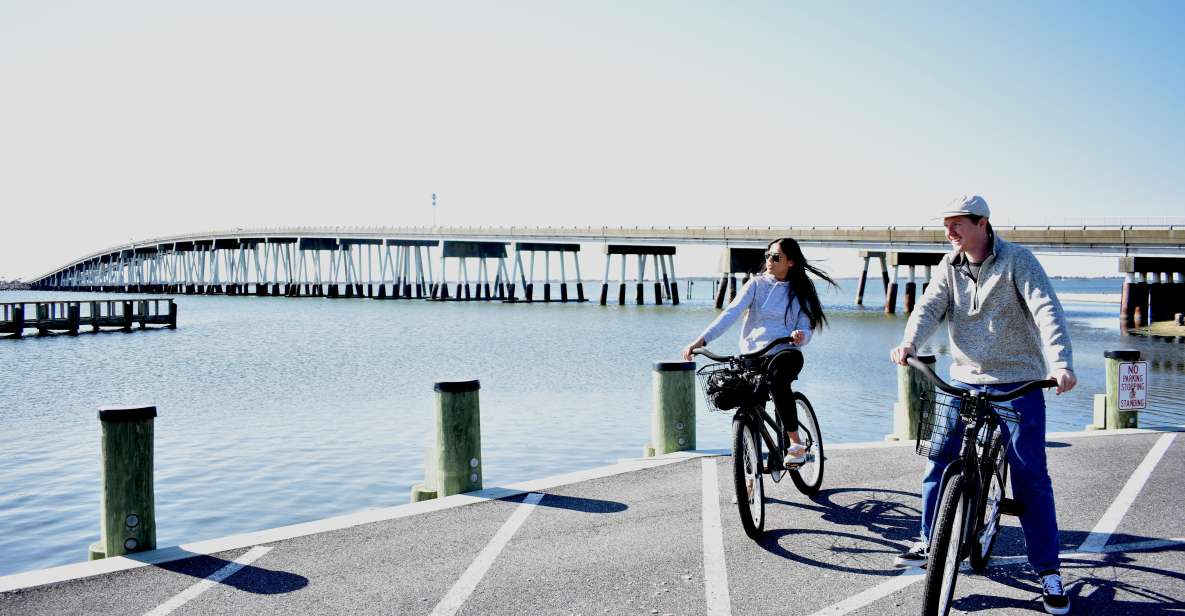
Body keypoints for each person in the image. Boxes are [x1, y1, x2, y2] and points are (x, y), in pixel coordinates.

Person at [889, 195, 1076, 615]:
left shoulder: (1018, 260)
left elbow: (1047, 310)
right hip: (965, 378)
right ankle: (928, 539)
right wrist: (908, 342)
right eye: (946, 226)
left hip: (1019, 381)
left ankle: (1048, 572)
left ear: (982, 223)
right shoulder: (948, 264)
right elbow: (929, 307)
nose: (949, 233)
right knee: (939, 459)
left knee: (1031, 478)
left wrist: (1060, 364)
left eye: (957, 225)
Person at [683, 237, 837, 466]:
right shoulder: (756, 285)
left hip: (785, 352)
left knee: (777, 380)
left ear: (791, 262)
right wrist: (700, 341)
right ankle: (748, 481)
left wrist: (801, 335)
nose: (769, 261)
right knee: (749, 408)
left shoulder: (799, 290)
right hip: (753, 356)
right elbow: (730, 314)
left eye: (776, 257)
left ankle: (796, 444)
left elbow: (806, 325)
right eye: (767, 256)